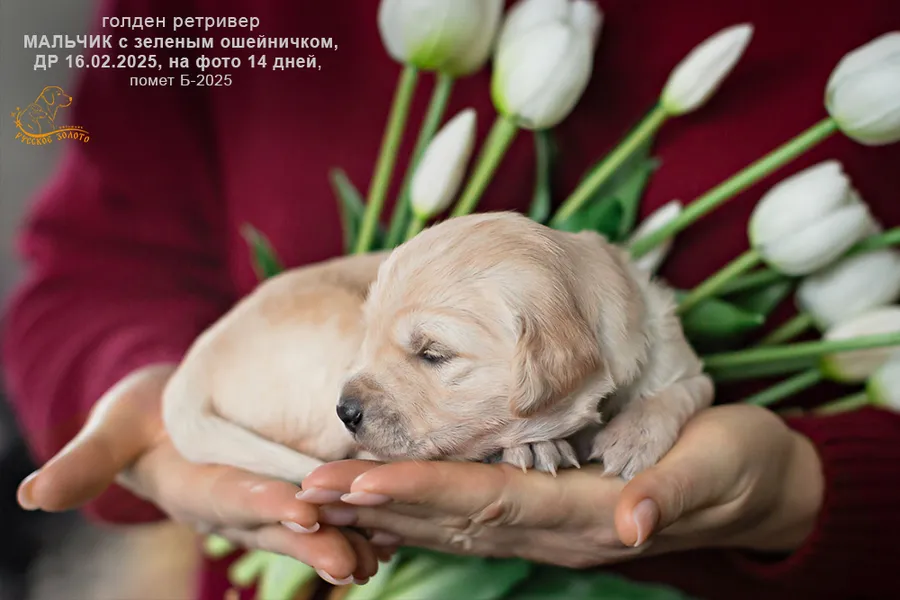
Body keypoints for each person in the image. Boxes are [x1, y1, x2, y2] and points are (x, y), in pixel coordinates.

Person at [4, 1, 900, 598]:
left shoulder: (608, 335)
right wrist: (139, 399)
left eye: (430, 353)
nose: (357, 392)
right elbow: (91, 265)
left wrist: (800, 493)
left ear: (557, 365)